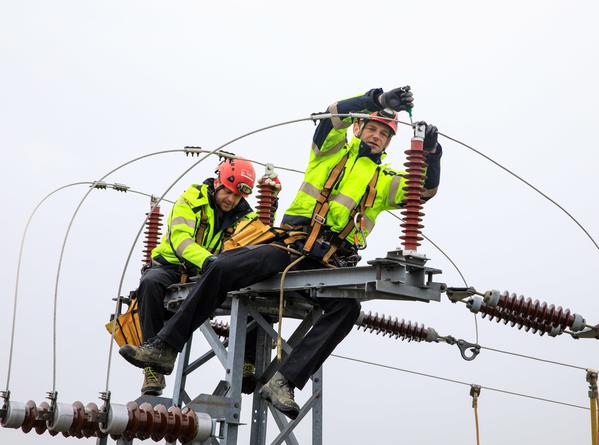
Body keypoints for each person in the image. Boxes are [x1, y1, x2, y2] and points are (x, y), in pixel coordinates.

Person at [120, 86, 442, 420]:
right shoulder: (329, 153)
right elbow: (332, 115)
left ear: (389, 143)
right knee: (223, 267)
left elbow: (423, 191)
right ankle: (164, 347)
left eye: (383, 134)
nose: (376, 137)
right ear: (358, 127)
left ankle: (284, 381)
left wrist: (432, 155)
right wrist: (375, 100)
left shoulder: (383, 180)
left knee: (346, 309)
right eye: (371, 128)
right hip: (289, 247)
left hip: (330, 263)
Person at [130, 157, 258, 396]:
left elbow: (250, 244)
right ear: (217, 183)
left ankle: (247, 362)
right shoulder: (190, 200)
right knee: (150, 283)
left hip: (212, 271)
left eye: (238, 196)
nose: (231, 200)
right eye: (228, 193)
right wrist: (209, 261)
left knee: (257, 288)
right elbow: (181, 241)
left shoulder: (246, 217)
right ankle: (153, 365)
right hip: (173, 265)